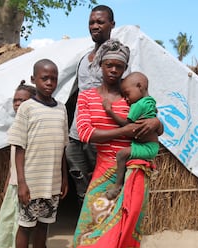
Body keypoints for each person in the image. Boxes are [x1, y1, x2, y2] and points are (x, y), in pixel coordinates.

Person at [49, 40, 162, 248]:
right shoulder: (87, 97)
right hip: (104, 172)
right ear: (100, 65)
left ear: (125, 68)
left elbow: (155, 126)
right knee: (90, 225)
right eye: (108, 65)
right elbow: (87, 134)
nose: (113, 70)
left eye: (118, 67)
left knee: (124, 229)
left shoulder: (132, 95)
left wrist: (157, 122)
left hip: (135, 172)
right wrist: (126, 131)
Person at [7, 59, 69, 248]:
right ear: (34, 79)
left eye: (53, 78)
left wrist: (64, 178)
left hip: (51, 182)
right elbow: (19, 147)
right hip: (31, 182)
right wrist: (22, 182)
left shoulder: (61, 109)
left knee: (44, 226)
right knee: (25, 227)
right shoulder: (27, 108)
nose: (50, 82)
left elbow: (62, 147)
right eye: (44, 78)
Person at [65, 4, 115, 207]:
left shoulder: (115, 56)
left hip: (100, 134)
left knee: (101, 184)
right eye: (92, 22)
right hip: (77, 132)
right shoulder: (84, 59)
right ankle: (84, 229)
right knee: (80, 183)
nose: (95, 26)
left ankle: (100, 233)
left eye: (100, 22)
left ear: (112, 24)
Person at [0, 80, 36, 248]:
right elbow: (13, 161)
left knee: (25, 226)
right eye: (15, 100)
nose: (18, 104)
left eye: (22, 100)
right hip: (14, 185)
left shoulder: (34, 125)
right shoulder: (15, 125)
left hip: (29, 185)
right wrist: (7, 183)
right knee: (13, 226)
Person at [103, 72, 160, 199]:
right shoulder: (151, 102)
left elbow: (126, 125)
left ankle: (117, 185)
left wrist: (109, 111)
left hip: (147, 147)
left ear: (140, 86)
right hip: (152, 145)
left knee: (121, 155)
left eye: (127, 94)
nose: (126, 99)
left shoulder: (138, 105)